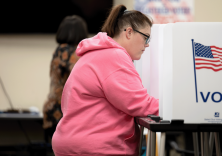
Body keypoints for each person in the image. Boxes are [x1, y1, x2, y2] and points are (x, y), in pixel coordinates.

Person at [52, 4, 159, 156]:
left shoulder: (98, 52)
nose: (147, 44)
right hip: (95, 147)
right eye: (145, 37)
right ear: (129, 32)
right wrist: (174, 106)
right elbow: (138, 103)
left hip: (76, 142)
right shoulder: (114, 56)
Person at [42, 15, 88, 142]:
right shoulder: (68, 51)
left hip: (52, 107)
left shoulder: (58, 50)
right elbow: (85, 76)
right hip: (62, 110)